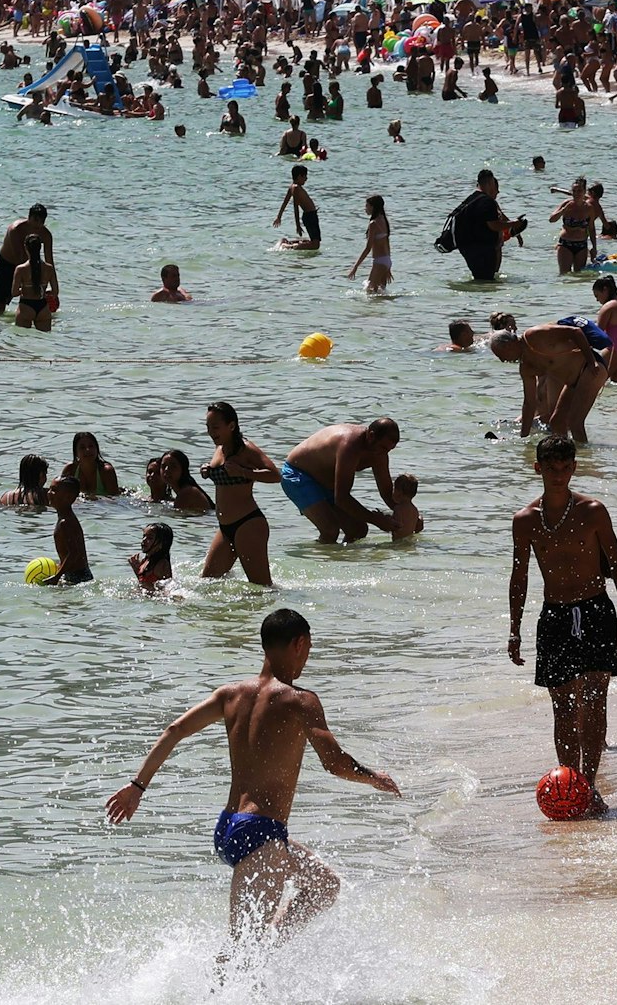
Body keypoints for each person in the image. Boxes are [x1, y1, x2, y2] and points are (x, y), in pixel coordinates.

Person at [102, 609, 401, 943]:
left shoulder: (230, 694)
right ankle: (243, 967)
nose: (307, 658)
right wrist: (372, 777)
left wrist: (137, 786)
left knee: (323, 885)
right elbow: (334, 762)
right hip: (261, 834)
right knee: (242, 952)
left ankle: (270, 947)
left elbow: (175, 730)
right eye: (309, 648)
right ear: (299, 644)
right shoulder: (300, 701)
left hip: (230, 827)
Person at [508, 435, 617, 816]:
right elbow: (519, 576)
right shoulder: (525, 521)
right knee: (563, 707)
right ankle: (570, 782)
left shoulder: (593, 511)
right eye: (552, 468)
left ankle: (590, 785)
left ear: (574, 468)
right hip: (555, 616)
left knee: (595, 702)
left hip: (596, 610)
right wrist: (514, 629)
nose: (559, 475)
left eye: (566, 468)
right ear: (538, 468)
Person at [280, 419, 402, 544]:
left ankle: (341, 557)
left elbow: (386, 493)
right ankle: (316, 556)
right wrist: (377, 520)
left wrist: (406, 513)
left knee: (358, 530)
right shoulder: (350, 446)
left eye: (389, 450)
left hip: (326, 482)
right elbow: (342, 498)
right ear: (371, 436)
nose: (384, 453)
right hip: (298, 474)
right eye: (383, 447)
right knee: (330, 530)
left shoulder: (380, 454)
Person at [200, 401, 282, 585]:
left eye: (215, 427)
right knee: (206, 583)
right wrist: (208, 470)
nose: (211, 432)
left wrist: (243, 472)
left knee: (262, 587)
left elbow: (275, 475)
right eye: (208, 427)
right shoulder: (219, 448)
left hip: (248, 524)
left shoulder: (246, 449)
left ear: (231, 426)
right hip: (225, 528)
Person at [490, 324, 610, 443]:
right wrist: (524, 439)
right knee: (556, 422)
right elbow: (529, 404)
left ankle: (584, 454)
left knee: (575, 423)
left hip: (590, 369)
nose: (502, 360)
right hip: (572, 383)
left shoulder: (533, 335)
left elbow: (575, 332)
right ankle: (568, 451)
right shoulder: (526, 368)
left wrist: (591, 361)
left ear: (509, 345)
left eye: (501, 355)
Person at [450, 169, 524, 282]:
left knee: (483, 279)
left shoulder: (472, 199)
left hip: (469, 247)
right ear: (490, 183)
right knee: (486, 280)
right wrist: (515, 224)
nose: (497, 191)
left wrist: (514, 230)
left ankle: (482, 293)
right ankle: (485, 293)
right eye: (495, 185)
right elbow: (494, 225)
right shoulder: (487, 201)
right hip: (481, 250)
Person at [0, 205, 52, 312]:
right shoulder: (16, 229)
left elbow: (49, 262)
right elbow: (19, 257)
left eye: (42, 221)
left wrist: (50, 285)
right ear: (29, 217)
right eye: (36, 220)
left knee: (34, 298)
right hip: (6, 265)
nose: (39, 224)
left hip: (30, 265)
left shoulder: (46, 234)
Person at [46, 476, 92, 585]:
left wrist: (57, 577)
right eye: (49, 489)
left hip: (78, 577)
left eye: (54, 490)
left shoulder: (65, 523)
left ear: (69, 497)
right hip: (78, 574)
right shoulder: (67, 518)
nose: (49, 493)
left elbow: (74, 553)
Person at [549, 178, 596, 275]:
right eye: (574, 191)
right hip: (565, 244)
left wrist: (594, 247)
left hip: (582, 245)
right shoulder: (567, 204)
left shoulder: (589, 208)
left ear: (584, 192)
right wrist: (562, 211)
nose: (576, 193)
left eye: (579, 191)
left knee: (579, 275)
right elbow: (551, 219)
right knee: (564, 275)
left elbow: (591, 229)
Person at [346, 196, 393, 294]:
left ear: (373, 207)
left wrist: (355, 267)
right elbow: (387, 244)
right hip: (386, 260)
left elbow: (368, 248)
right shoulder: (384, 220)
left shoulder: (373, 223)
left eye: (367, 206)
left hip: (379, 262)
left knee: (370, 291)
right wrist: (388, 266)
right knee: (380, 293)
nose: (365, 208)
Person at [10, 236, 57, 331]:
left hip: (26, 307)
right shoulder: (49, 268)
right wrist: (42, 290)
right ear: (40, 247)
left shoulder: (21, 269)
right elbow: (55, 292)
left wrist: (24, 289)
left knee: (21, 339)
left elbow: (14, 293)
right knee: (44, 338)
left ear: (25, 247)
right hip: (43, 307)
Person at [272, 165, 321, 250]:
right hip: (310, 216)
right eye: (304, 176)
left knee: (311, 241)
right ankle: (286, 246)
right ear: (299, 176)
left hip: (310, 216)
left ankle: (286, 242)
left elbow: (284, 203)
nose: (306, 179)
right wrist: (297, 225)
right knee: (315, 245)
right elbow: (296, 207)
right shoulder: (296, 188)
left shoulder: (292, 187)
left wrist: (279, 217)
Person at [65, 432, 120, 497]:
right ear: (76, 452)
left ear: (97, 449)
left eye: (91, 446)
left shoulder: (106, 471)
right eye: (82, 447)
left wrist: (96, 500)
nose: (87, 450)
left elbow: (115, 499)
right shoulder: (71, 469)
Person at [130, 523, 174, 592]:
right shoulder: (146, 560)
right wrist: (137, 570)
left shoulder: (162, 564)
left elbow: (164, 592)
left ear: (161, 544)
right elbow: (144, 583)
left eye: (150, 538)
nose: (144, 540)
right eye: (144, 536)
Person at [388, 474, 423, 540]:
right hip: (410, 539)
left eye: (394, 489)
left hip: (399, 541)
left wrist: (388, 520)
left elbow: (397, 526)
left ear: (399, 493)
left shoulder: (398, 508)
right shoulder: (415, 510)